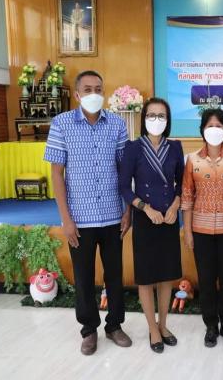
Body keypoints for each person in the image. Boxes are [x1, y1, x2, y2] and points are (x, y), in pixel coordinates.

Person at [44, 70, 132, 355]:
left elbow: (124, 171)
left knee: (114, 275)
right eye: (88, 89)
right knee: (83, 277)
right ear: (77, 94)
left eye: (98, 89)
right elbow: (56, 174)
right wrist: (66, 219)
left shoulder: (117, 124)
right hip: (79, 220)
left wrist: (127, 210)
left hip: (113, 215)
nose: (94, 94)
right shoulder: (61, 124)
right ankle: (89, 330)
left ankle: (114, 325)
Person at [181, 108, 223, 348]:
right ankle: (211, 325)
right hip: (200, 231)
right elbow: (187, 197)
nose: (214, 130)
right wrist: (188, 231)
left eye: (219, 126)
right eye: (210, 126)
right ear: (202, 130)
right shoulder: (192, 160)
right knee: (206, 280)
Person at [119, 97, 184, 353]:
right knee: (146, 277)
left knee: (166, 276)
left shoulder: (175, 147)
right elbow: (124, 187)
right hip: (145, 219)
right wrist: (145, 208)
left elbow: (182, 184)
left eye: (161, 116)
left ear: (168, 120)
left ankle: (163, 324)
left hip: (169, 219)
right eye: (151, 115)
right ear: (144, 118)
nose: (156, 120)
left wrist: (175, 205)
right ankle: (152, 328)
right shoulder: (133, 148)